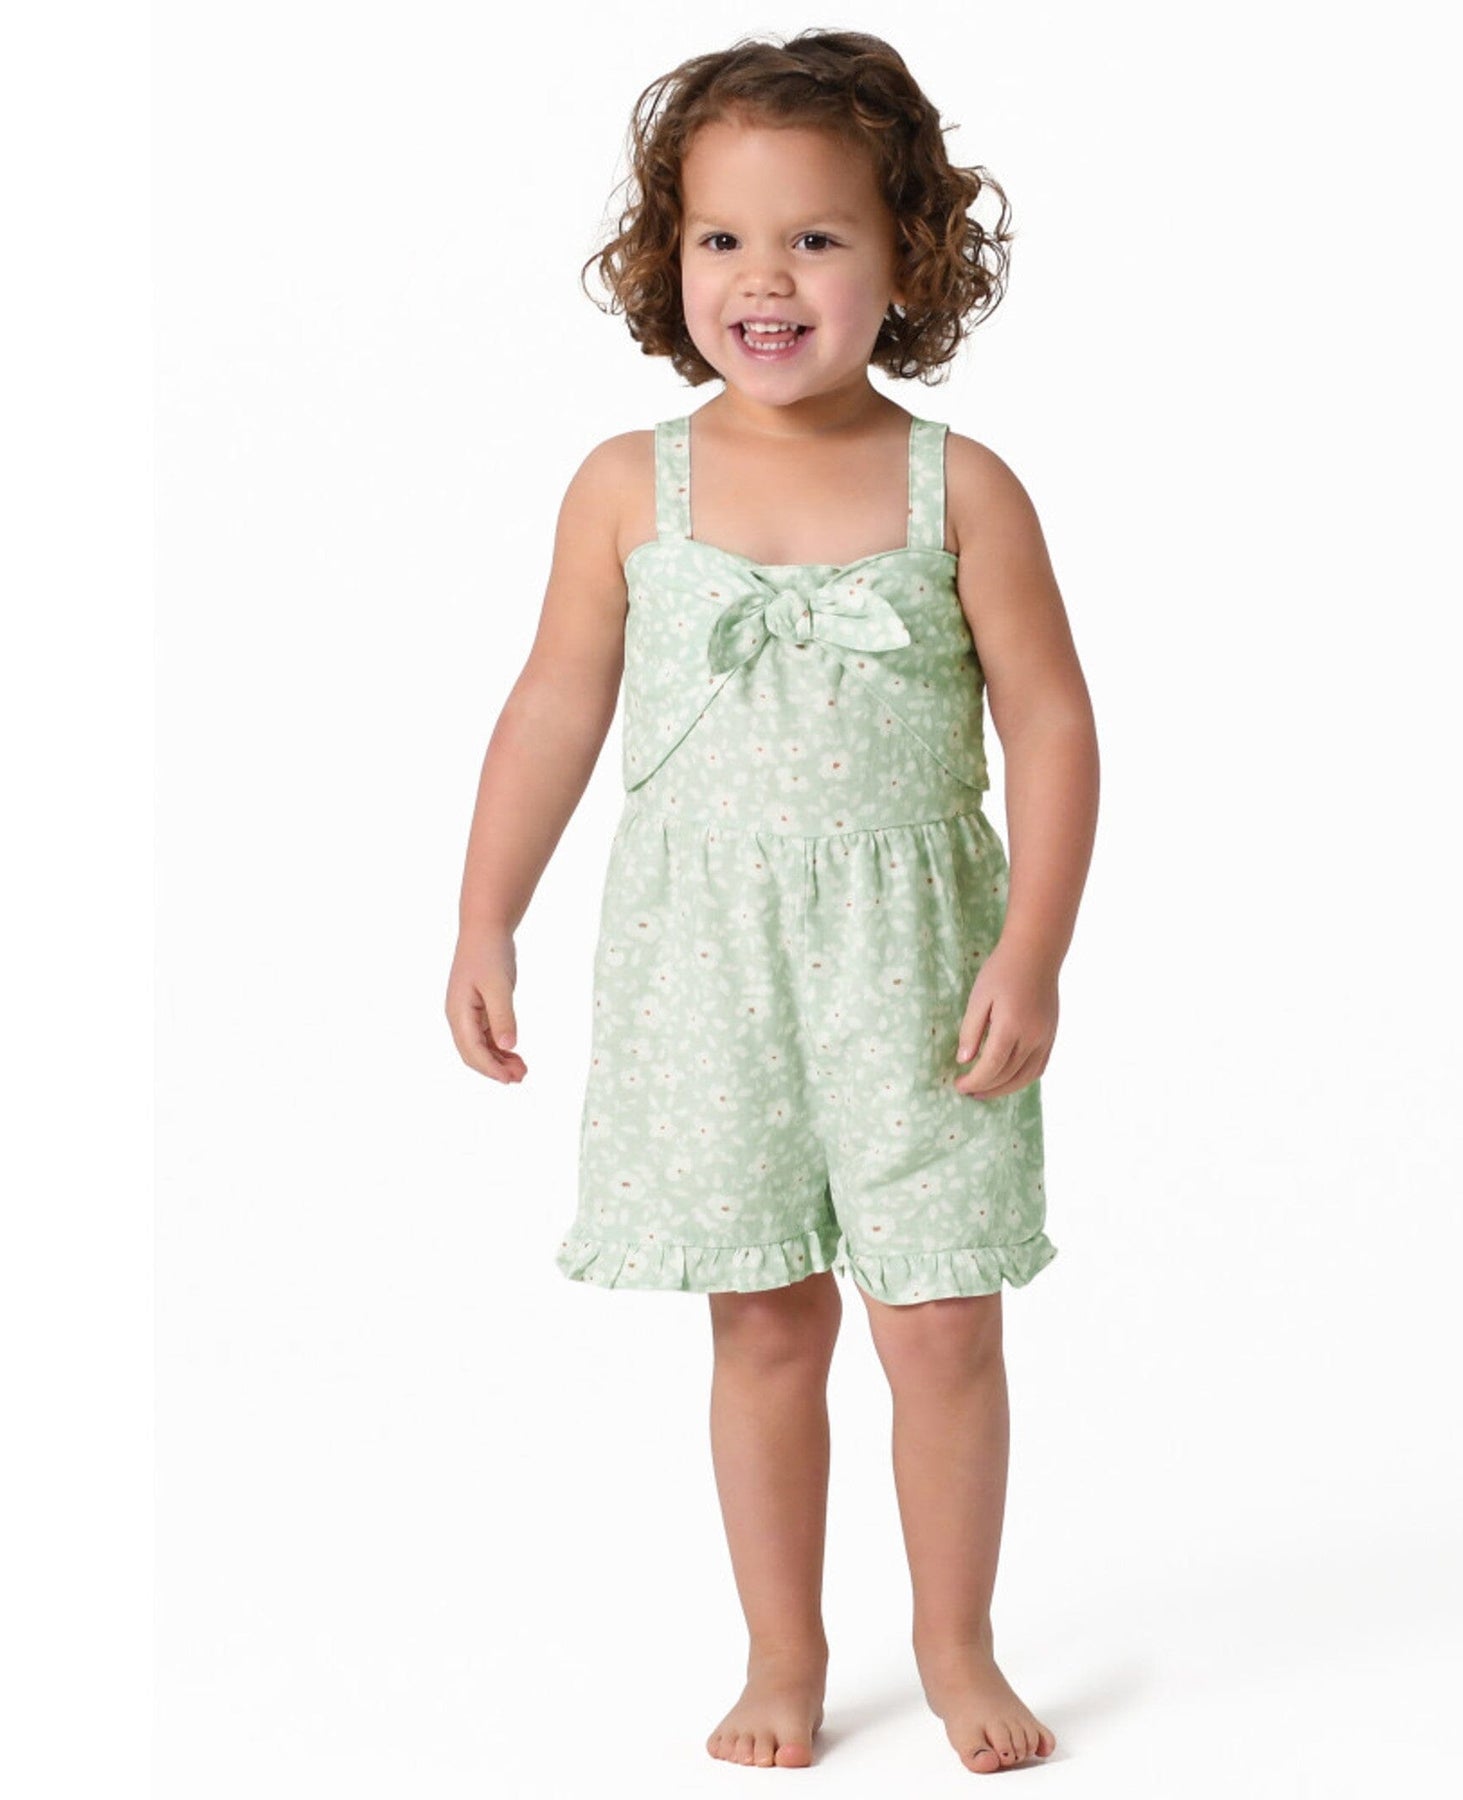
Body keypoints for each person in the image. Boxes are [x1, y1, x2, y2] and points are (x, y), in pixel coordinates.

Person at [446, 28, 1098, 1775]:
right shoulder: (626, 486)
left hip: (920, 968)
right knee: (764, 1317)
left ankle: (956, 1641)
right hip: (705, 969)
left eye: (816, 238)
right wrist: (486, 915)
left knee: (940, 1323)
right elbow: (553, 708)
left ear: (908, 259)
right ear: (666, 258)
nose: (765, 278)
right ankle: (784, 1653)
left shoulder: (959, 488)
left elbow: (1050, 721)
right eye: (723, 237)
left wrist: (1033, 948)